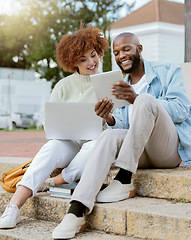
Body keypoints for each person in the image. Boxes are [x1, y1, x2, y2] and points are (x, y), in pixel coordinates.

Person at [52, 32, 191, 239]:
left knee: (145, 100)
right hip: (139, 152)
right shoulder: (117, 84)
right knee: (108, 136)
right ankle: (77, 210)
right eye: (116, 52)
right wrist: (108, 118)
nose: (121, 55)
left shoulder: (167, 70)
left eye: (126, 49)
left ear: (139, 49)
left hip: (167, 151)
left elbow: (181, 110)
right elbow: (126, 128)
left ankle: (124, 178)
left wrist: (136, 98)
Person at [0, 25, 110, 229]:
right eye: (83, 59)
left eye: (93, 55)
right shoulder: (62, 86)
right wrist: (59, 127)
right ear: (73, 63)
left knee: (95, 145)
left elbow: (118, 124)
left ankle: (56, 181)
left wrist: (107, 118)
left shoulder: (107, 82)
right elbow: (47, 123)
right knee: (51, 148)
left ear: (99, 51)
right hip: (69, 140)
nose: (91, 62)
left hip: (96, 140)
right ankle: (13, 209)